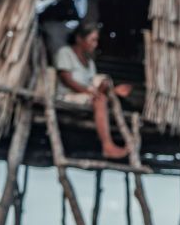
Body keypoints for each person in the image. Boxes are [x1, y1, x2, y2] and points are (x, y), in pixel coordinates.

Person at [54, 22, 134, 160]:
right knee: (100, 99)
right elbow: (67, 80)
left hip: (85, 96)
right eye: (92, 40)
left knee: (104, 82)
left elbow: (94, 86)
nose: (95, 44)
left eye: (96, 40)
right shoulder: (65, 53)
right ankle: (107, 145)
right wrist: (91, 93)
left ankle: (114, 91)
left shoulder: (90, 63)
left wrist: (110, 89)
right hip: (67, 96)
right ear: (80, 39)